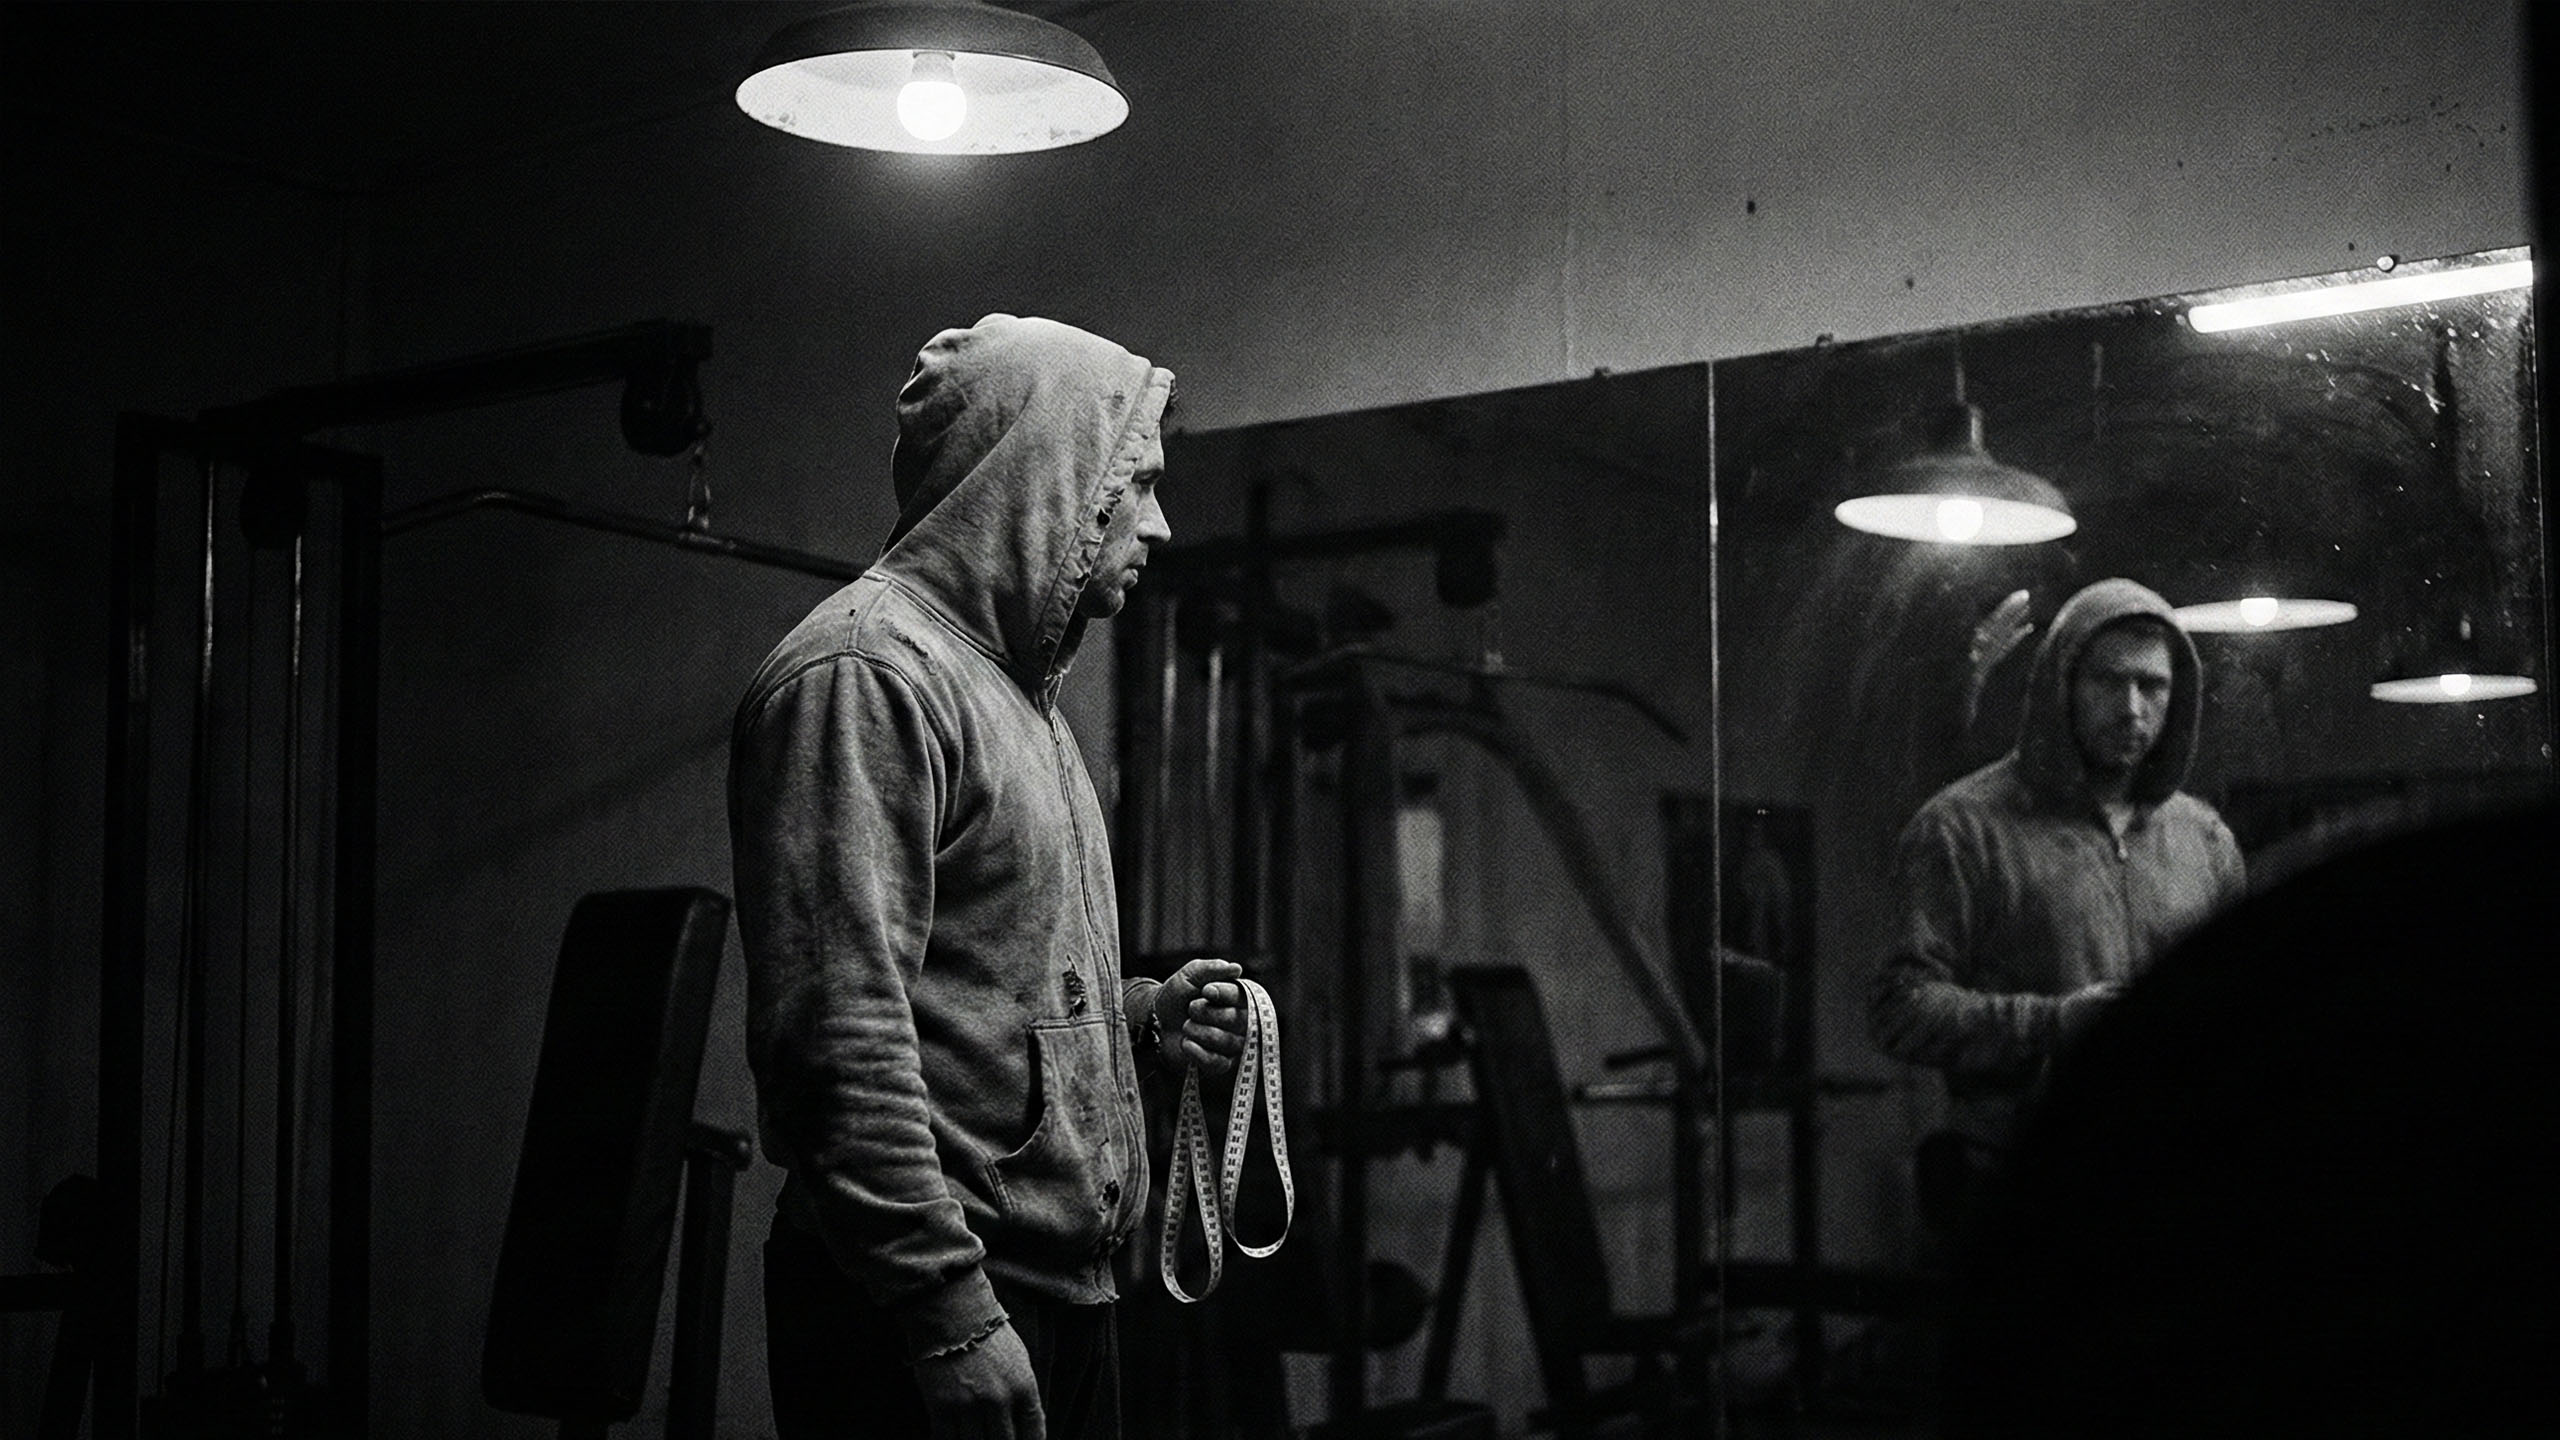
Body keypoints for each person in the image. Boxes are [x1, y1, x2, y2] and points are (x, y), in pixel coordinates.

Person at [729, 315, 1252, 1440]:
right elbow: (838, 1042)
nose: (1159, 523)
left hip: (1051, 1290)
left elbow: (974, 1005)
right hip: (933, 1302)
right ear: (1047, 472)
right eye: (1137, 482)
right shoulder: (864, 674)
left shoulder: (1016, 698)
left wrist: (1140, 1021)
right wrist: (947, 1315)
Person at [1868, 578, 2246, 1209]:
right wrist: (2053, 1024)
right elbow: (1901, 1009)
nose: (2132, 708)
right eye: (2108, 681)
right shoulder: (1963, 828)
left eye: (2152, 686)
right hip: (2022, 1182)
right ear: (2061, 683)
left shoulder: (2203, 840)